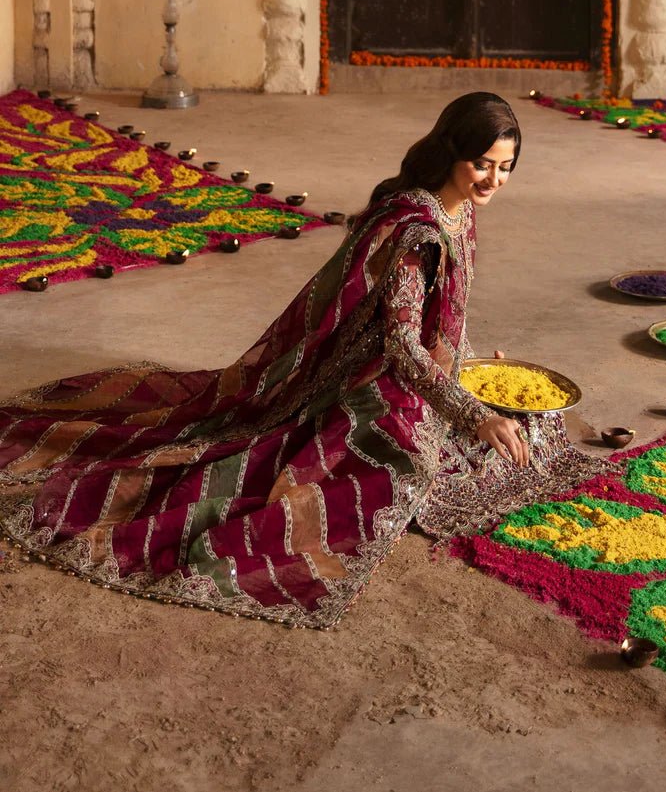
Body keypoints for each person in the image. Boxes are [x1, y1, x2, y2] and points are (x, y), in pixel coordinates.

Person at [0, 92, 599, 629]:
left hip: (423, 372)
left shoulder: (460, 210)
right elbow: (403, 348)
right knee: (402, 470)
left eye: (506, 168)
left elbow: (441, 322)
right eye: (483, 164)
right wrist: (471, 411)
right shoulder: (414, 230)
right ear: (451, 153)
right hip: (370, 383)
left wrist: (470, 362)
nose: (493, 180)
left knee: (530, 425)